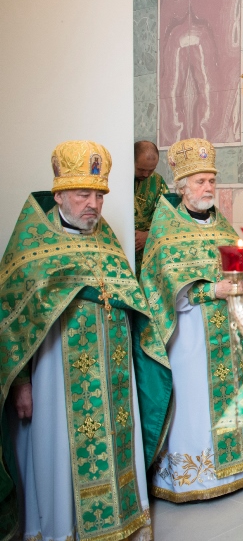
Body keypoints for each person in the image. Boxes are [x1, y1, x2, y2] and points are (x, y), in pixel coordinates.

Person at [0, 141, 171, 540]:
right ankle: (63, 528)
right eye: (83, 194)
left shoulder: (106, 238)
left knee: (114, 445)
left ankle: (118, 522)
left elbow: (130, 298)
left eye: (99, 194)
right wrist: (22, 382)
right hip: (54, 382)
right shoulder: (32, 245)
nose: (93, 203)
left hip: (112, 375)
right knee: (58, 451)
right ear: (59, 193)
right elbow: (12, 323)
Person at [139, 138, 243, 502]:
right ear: (181, 187)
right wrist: (210, 292)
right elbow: (159, 293)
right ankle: (196, 480)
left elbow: (237, 267)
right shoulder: (165, 229)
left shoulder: (222, 226)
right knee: (194, 407)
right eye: (199, 182)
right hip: (189, 337)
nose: (208, 188)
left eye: (211, 180)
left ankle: (238, 466)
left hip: (228, 335)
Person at [134, 139, 167, 271]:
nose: (146, 174)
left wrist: (148, 235)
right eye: (141, 169)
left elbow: (168, 216)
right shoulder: (117, 179)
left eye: (151, 170)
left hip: (148, 251)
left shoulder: (158, 182)